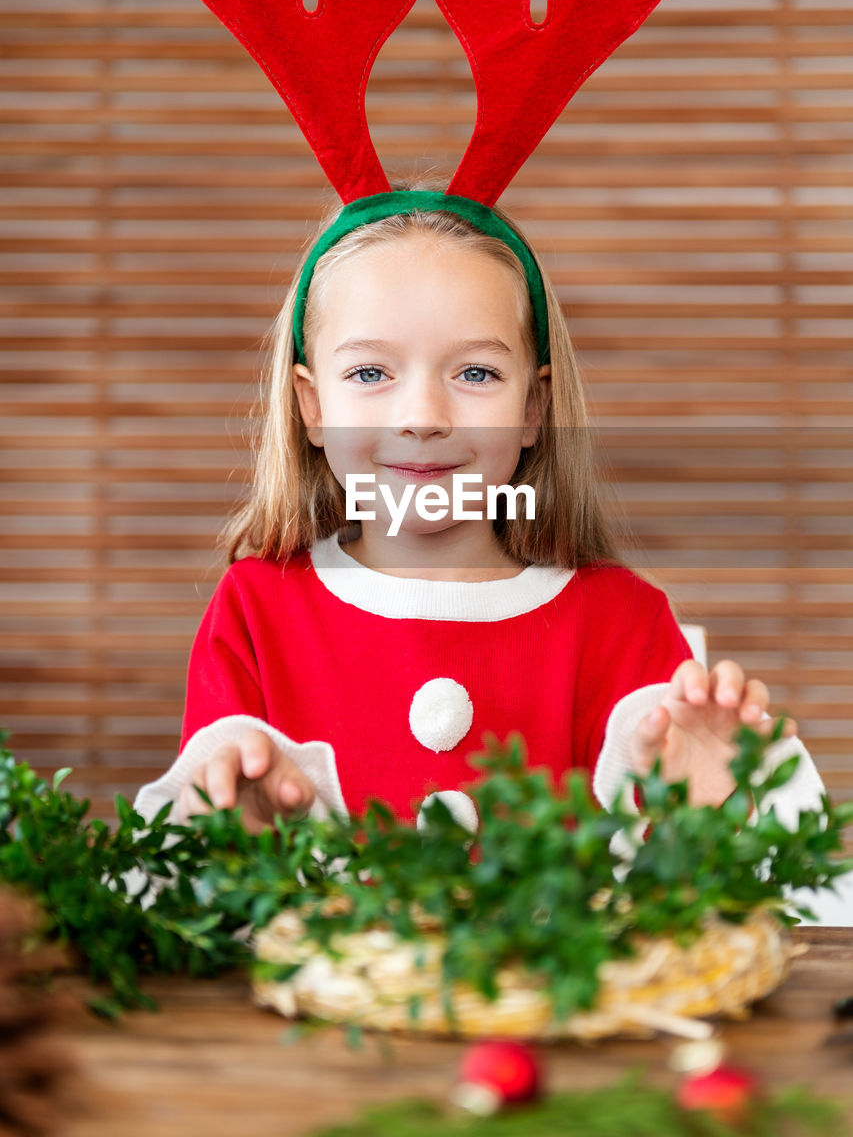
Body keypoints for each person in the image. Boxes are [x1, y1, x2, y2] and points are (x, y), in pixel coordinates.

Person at [133, 192, 824, 838]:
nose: (422, 418)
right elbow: (202, 859)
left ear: (532, 409)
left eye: (475, 374)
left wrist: (710, 808)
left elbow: (677, 897)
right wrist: (229, 825)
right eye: (370, 374)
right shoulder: (257, 612)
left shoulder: (623, 623)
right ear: (312, 408)